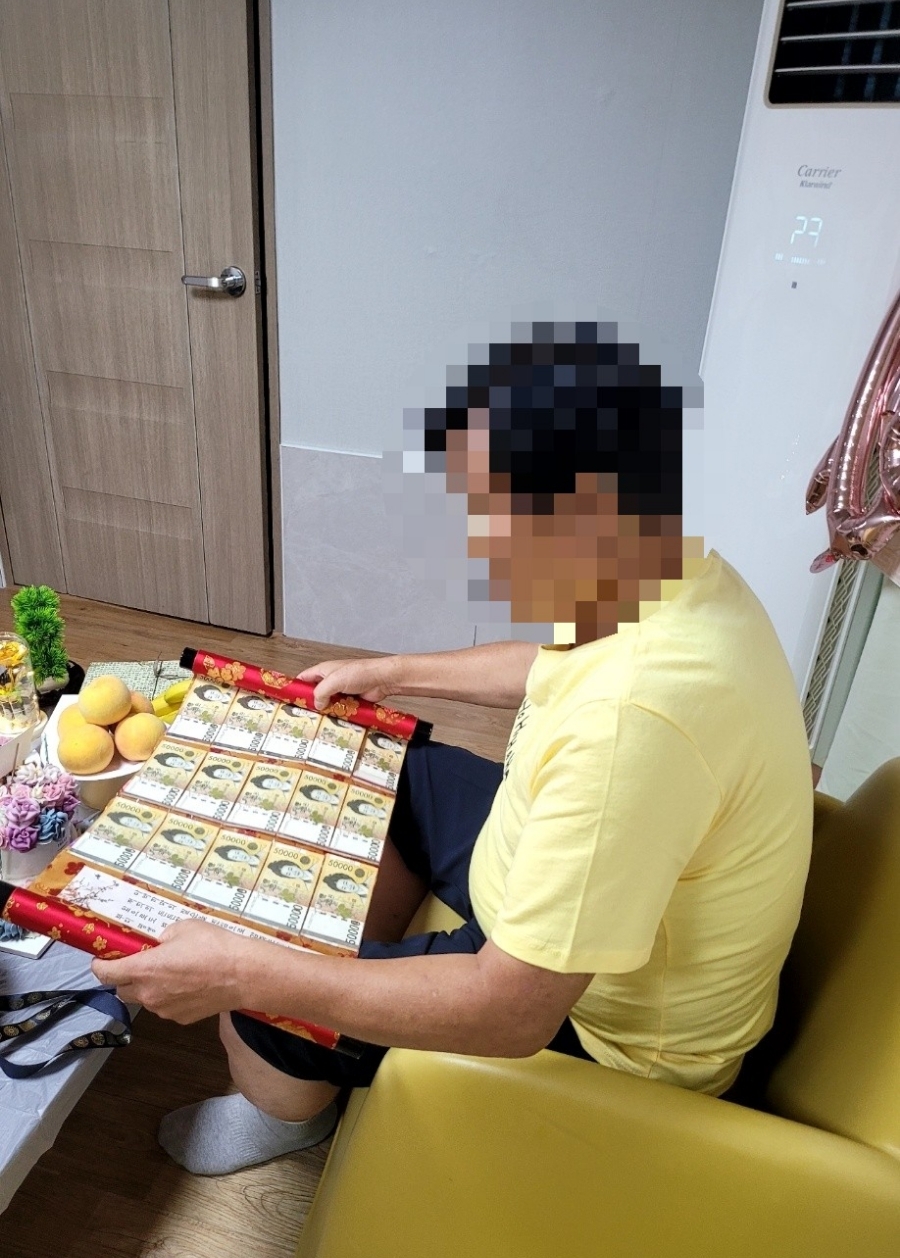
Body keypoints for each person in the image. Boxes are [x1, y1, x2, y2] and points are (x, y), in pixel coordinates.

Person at [93, 324, 813, 1178]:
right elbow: (553, 667)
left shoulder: (633, 724)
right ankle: (344, 968)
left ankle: (286, 1110)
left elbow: (514, 1014)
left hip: (603, 1031)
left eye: (490, 511)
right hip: (572, 888)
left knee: (256, 997)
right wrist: (392, 672)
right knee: (372, 759)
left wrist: (253, 975)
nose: (476, 538)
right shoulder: (675, 575)